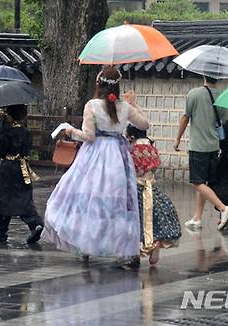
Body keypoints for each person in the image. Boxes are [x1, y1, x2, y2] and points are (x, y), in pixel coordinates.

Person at [42, 66, 149, 265]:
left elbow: (89, 137)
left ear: (98, 84)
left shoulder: (91, 105)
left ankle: (86, 245)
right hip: (119, 157)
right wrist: (134, 104)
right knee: (119, 204)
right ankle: (127, 251)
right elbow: (145, 125)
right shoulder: (125, 106)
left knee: (90, 199)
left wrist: (70, 131)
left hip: (95, 157)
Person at [173, 76, 228, 230]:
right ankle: (197, 217)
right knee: (203, 182)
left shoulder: (194, 94)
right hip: (213, 145)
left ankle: (223, 208)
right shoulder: (222, 96)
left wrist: (177, 139)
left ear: (203, 76)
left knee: (197, 182)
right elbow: (224, 119)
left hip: (198, 146)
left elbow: (185, 117)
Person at [0, 104, 44, 243]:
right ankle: (35, 223)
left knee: (2, 200)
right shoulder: (26, 132)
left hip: (8, 168)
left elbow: (0, 150)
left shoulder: (7, 133)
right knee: (24, 198)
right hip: (22, 167)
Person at [126, 125, 181, 265]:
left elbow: (131, 170)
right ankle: (156, 244)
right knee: (156, 220)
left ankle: (135, 254)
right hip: (152, 188)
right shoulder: (152, 148)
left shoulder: (133, 150)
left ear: (132, 137)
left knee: (136, 222)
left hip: (137, 189)